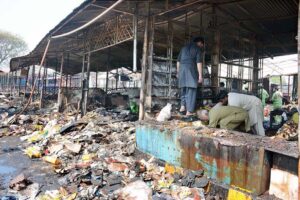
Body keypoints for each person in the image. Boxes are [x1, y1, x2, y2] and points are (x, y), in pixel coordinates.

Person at [177, 37, 204, 116]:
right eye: (202, 45)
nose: (201, 46)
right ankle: (189, 112)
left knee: (183, 89)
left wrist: (178, 72)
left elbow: (178, 61)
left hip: (182, 70)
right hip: (191, 70)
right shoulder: (197, 49)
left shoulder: (183, 48)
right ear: (199, 43)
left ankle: (182, 107)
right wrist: (200, 76)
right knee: (191, 90)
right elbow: (199, 63)